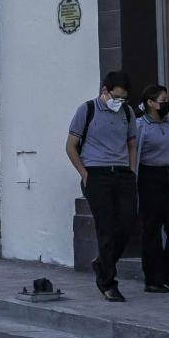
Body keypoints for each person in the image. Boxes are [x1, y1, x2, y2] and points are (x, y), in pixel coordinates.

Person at [66, 70, 139, 302]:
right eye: (116, 96)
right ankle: (108, 282)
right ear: (105, 92)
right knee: (106, 227)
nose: (120, 102)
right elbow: (70, 146)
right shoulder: (86, 110)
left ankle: (102, 263)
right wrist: (84, 174)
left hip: (122, 173)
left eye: (124, 98)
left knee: (127, 224)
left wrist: (132, 171)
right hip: (96, 174)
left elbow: (131, 144)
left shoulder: (127, 112)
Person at [136, 84, 169, 293]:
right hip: (150, 177)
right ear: (150, 103)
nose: (166, 104)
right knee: (152, 228)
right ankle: (153, 278)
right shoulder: (141, 126)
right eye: (162, 100)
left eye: (167, 100)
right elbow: (135, 153)